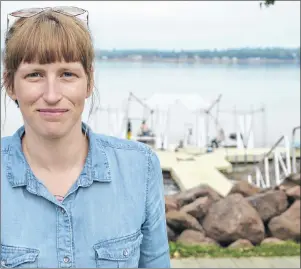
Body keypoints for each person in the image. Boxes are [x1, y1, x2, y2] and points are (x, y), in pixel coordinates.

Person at [1, 7, 170, 268]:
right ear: (11, 84)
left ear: (89, 82)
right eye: (34, 74)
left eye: (67, 74)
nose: (52, 94)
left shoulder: (140, 168)